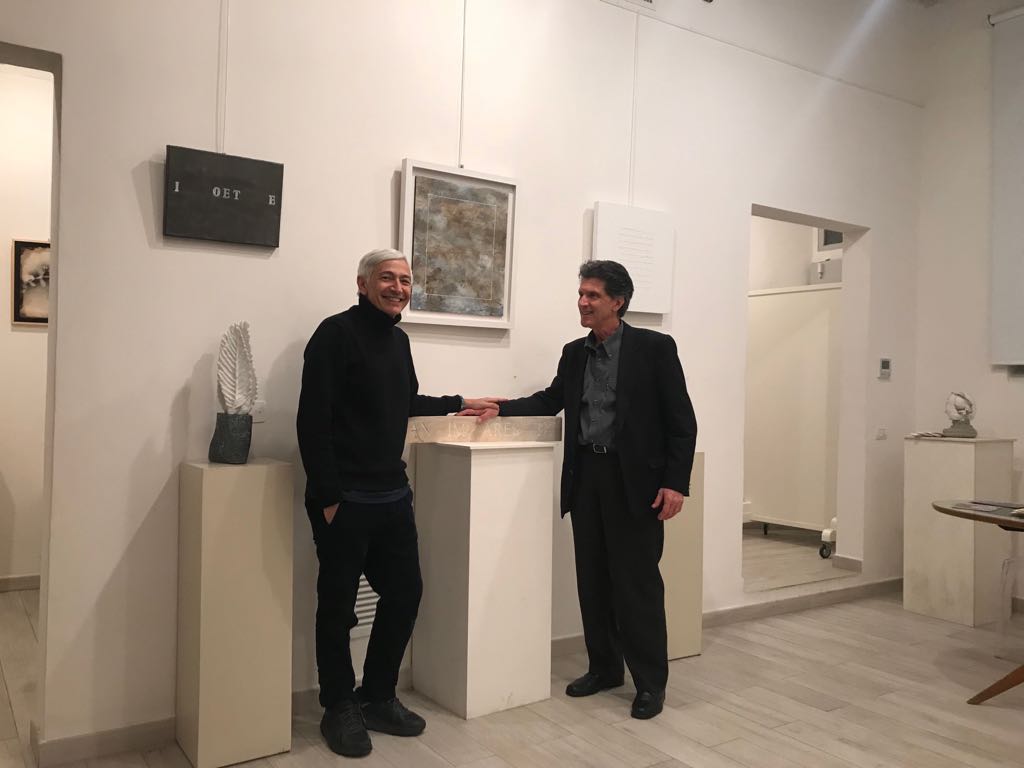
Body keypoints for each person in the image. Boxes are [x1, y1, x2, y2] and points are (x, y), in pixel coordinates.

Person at [296, 247, 499, 758]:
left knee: (405, 595)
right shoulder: (334, 334)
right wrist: (328, 498)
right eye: (387, 278)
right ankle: (339, 705)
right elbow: (312, 420)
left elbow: (404, 403)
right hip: (345, 501)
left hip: (392, 496)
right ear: (362, 283)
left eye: (405, 280)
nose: (398, 288)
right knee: (338, 608)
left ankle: (377, 695)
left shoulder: (399, 340)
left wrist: (459, 403)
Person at [493, 260, 697, 720]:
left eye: (593, 295)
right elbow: (551, 399)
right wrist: (499, 409)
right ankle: (604, 668)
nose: (583, 302)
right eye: (581, 294)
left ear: (618, 302)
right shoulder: (574, 353)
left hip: (637, 484)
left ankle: (650, 684)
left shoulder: (654, 348)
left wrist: (675, 483)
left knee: (637, 584)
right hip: (586, 476)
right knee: (594, 579)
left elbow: (681, 422)